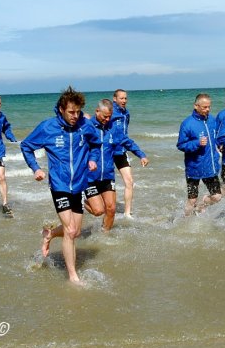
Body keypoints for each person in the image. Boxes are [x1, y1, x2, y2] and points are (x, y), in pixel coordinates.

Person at [20, 86, 101, 285]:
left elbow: (96, 144)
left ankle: (50, 234)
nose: (75, 116)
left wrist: (92, 158)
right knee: (71, 230)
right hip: (59, 185)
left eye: (78, 112)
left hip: (79, 183)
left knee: (76, 231)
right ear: (62, 109)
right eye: (71, 112)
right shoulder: (48, 127)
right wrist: (36, 169)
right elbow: (26, 146)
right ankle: (73, 276)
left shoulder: (86, 125)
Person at [85, 99, 149, 232]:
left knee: (111, 209)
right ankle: (82, 201)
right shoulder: (87, 127)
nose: (107, 119)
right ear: (97, 111)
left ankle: (105, 235)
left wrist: (141, 155)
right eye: (104, 116)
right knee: (98, 211)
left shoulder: (114, 128)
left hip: (107, 175)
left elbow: (127, 142)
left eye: (110, 116)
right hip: (89, 176)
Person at [176, 93, 222, 216]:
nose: (208, 110)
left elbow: (216, 138)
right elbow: (181, 145)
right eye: (204, 107)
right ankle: (185, 223)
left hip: (210, 167)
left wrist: (220, 145)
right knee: (192, 200)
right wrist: (197, 143)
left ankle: (201, 206)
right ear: (196, 106)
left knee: (217, 197)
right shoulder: (187, 123)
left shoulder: (212, 120)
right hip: (194, 168)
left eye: (209, 107)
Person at [111, 89, 147, 219]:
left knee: (129, 181)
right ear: (114, 99)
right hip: (108, 152)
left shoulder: (126, 114)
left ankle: (127, 213)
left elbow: (124, 136)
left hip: (121, 151)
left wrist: (141, 155)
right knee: (106, 185)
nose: (124, 101)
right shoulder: (109, 112)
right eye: (121, 98)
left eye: (125, 98)